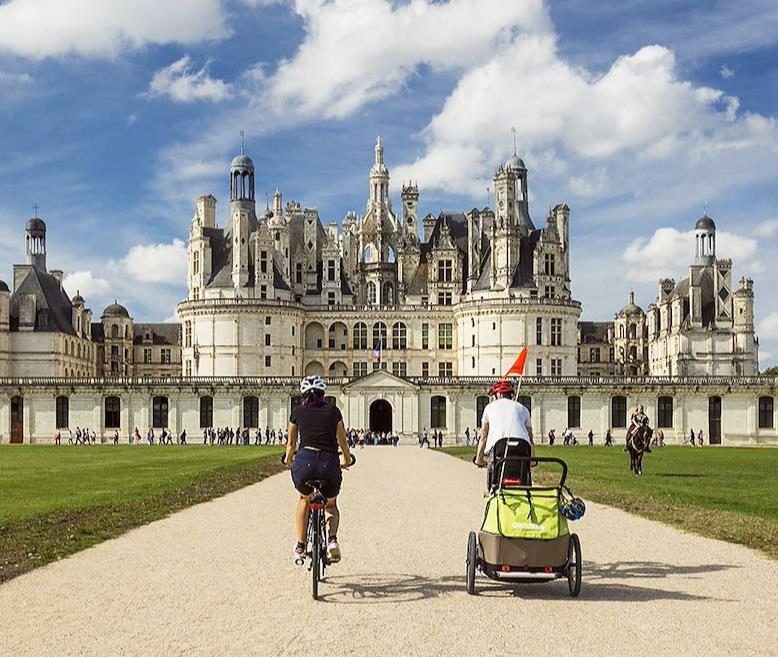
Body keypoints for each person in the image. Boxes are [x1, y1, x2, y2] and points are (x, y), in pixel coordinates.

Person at [284, 375, 352, 564]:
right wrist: (346, 460)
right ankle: (332, 540)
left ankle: (300, 546)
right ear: (323, 393)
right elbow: (343, 441)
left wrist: (288, 460)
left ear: (304, 394)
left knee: (304, 500)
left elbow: (290, 443)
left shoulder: (297, 411)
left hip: (304, 463)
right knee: (330, 505)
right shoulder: (333, 411)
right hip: (328, 463)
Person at [474, 379, 534, 487]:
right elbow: (530, 438)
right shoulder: (523, 409)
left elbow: (483, 437)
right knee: (525, 475)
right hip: (522, 449)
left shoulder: (489, 408)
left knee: (494, 478)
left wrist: (479, 459)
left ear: (498, 394)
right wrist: (532, 461)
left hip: (498, 450)